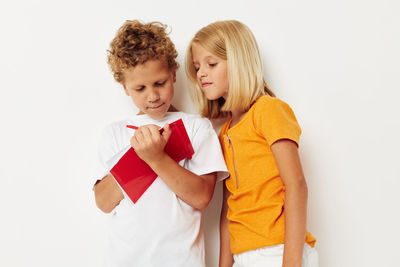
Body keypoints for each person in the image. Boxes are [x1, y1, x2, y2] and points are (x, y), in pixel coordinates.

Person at [93, 20, 228, 267]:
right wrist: (138, 155)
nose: (152, 96)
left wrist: (156, 158)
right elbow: (103, 202)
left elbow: (201, 197)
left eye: (159, 83)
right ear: (125, 88)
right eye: (140, 88)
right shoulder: (115, 133)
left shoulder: (196, 127)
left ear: (173, 75)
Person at [185, 20, 318, 267]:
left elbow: (296, 185)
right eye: (196, 67)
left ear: (238, 62)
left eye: (211, 64)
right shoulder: (224, 132)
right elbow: (227, 210)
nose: (201, 73)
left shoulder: (268, 110)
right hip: (244, 256)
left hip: (279, 252)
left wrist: (291, 262)